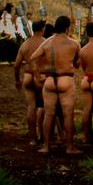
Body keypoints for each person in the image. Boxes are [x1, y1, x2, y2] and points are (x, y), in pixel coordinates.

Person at [30, 15, 81, 155]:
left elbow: (33, 58)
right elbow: (78, 63)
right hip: (66, 79)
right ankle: (69, 147)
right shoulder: (74, 43)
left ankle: (46, 146)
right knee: (68, 115)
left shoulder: (47, 42)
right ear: (67, 28)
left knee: (49, 114)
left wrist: (37, 75)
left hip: (50, 80)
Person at [13, 20, 47, 145]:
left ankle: (33, 139)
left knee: (31, 107)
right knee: (44, 107)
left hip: (27, 75)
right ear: (42, 29)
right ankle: (43, 136)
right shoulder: (46, 43)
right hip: (40, 76)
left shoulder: (25, 44)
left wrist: (17, 80)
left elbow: (16, 65)